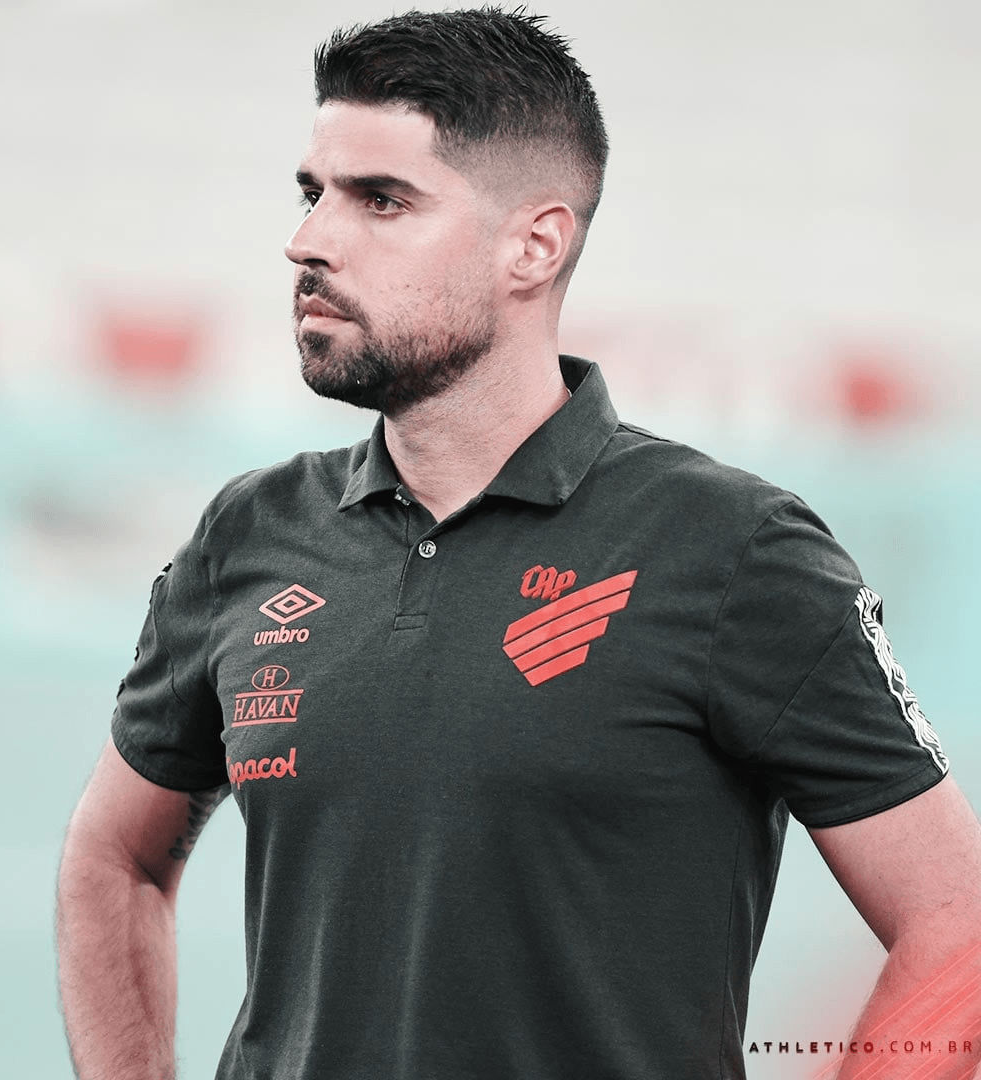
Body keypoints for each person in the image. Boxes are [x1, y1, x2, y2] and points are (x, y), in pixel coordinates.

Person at [55, 9, 981, 1080]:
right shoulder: (248, 535)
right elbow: (113, 856)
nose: (309, 240)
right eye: (313, 193)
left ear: (534, 246)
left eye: (381, 200)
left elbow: (958, 927)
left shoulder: (733, 550)